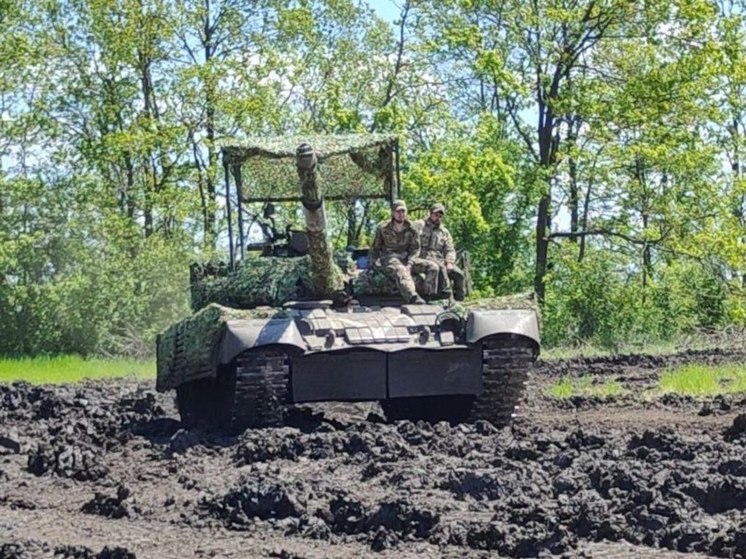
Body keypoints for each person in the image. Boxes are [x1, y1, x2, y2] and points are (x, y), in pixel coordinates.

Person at [369, 199, 437, 304]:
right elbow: (375, 248)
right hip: (390, 259)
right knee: (401, 270)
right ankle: (413, 298)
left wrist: (410, 263)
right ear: (392, 213)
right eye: (398, 212)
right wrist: (372, 264)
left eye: (403, 211)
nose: (401, 214)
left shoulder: (412, 227)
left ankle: (428, 296)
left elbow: (415, 248)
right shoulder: (383, 228)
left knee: (433, 267)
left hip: (407, 258)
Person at [416, 203, 465, 301]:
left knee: (459, 274)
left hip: (439, 258)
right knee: (440, 268)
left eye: (440, 216)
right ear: (430, 213)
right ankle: (443, 295)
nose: (438, 217)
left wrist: (450, 262)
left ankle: (459, 299)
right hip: (422, 257)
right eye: (436, 214)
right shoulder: (420, 225)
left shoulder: (444, 232)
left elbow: (450, 249)